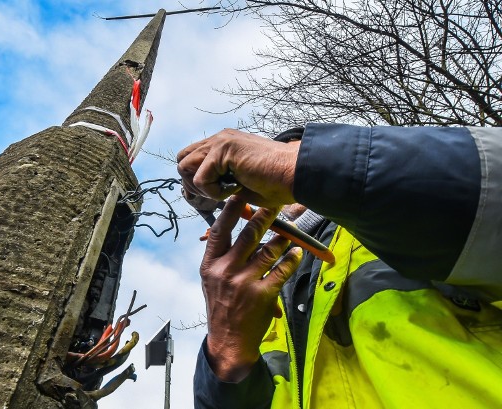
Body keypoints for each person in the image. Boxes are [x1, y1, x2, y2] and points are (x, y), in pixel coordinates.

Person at [177, 124, 502, 408]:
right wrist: (225, 353)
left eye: (294, 151)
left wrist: (309, 165)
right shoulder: (260, 293)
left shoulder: (401, 226)